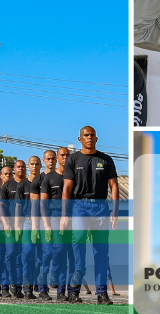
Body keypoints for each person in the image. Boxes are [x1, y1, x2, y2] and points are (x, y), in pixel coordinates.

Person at [60, 126, 118, 304]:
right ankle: (74, 292)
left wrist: (115, 211)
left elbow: (114, 186)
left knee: (101, 252)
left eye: (92, 135)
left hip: (101, 208)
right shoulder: (73, 159)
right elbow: (67, 188)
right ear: (80, 139)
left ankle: (102, 294)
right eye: (86, 135)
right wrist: (64, 214)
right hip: (79, 207)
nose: (89, 138)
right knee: (79, 248)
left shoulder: (106, 159)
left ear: (96, 138)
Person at [36, 149, 67, 301]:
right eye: (62, 155)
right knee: (47, 253)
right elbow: (42, 204)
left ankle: (61, 291)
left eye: (67, 155)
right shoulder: (48, 178)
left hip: (67, 219)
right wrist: (46, 224)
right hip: (51, 218)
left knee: (61, 253)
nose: (65, 158)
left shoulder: (71, 176)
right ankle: (42, 289)